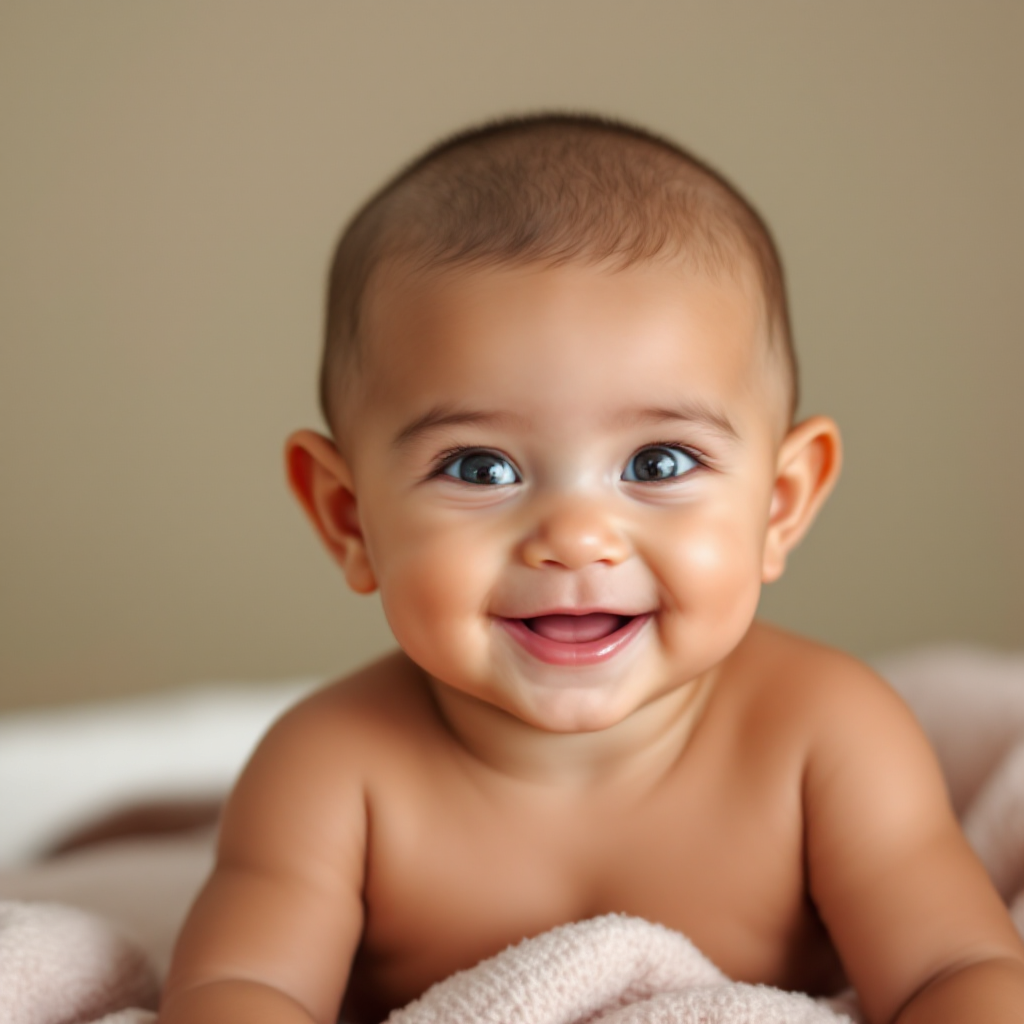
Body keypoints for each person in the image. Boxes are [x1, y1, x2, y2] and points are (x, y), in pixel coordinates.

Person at [158, 115, 1024, 1024]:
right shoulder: (331, 772)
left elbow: (956, 972)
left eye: (657, 463)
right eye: (479, 468)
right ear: (349, 517)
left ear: (780, 502)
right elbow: (238, 992)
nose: (576, 540)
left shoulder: (828, 739)